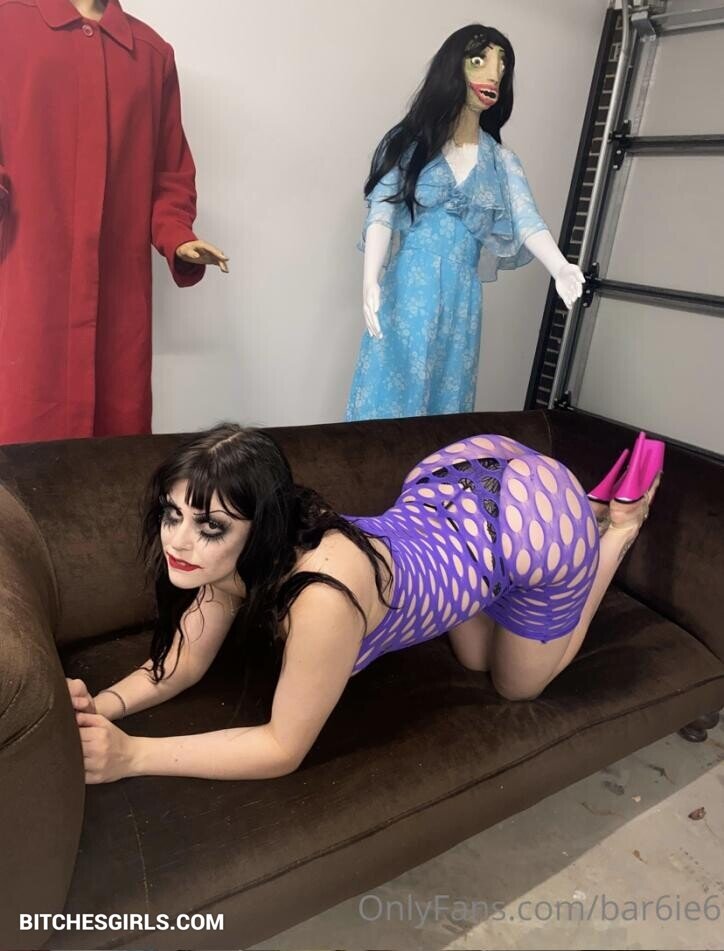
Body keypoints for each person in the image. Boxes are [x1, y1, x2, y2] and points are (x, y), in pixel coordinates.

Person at [66, 425, 662, 783]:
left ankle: (613, 530)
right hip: (454, 490)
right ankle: (576, 523)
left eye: (209, 526)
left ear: (262, 524)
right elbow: (184, 663)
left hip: (535, 524)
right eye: (172, 515)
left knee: (515, 687)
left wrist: (132, 756)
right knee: (475, 660)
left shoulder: (323, 596)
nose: (177, 542)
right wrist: (101, 706)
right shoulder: (233, 557)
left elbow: (281, 748)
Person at [0, 0, 229, 445]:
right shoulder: (8, 24)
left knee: (114, 453)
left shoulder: (151, 54)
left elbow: (169, 175)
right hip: (28, 295)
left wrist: (178, 236)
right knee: (21, 447)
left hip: (118, 307)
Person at [346, 23, 584, 421]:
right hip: (408, 287)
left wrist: (559, 267)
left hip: (463, 298)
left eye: (501, 66)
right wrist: (370, 280)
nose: (494, 74)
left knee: (446, 398)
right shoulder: (410, 145)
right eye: (480, 61)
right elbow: (383, 212)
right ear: (453, 68)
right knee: (389, 393)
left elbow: (528, 219)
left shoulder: (501, 161)